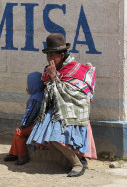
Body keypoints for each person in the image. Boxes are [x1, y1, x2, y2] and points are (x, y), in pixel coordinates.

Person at [26, 33, 97, 177]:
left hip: (74, 110)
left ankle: (78, 163)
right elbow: (50, 94)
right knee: (45, 127)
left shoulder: (75, 70)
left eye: (53, 56)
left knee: (54, 133)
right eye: (48, 56)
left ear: (62, 54)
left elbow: (76, 96)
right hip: (57, 109)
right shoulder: (50, 70)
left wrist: (54, 78)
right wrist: (51, 78)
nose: (50, 59)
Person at [4, 71, 44, 165]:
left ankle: (22, 156)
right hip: (37, 124)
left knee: (19, 133)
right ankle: (13, 153)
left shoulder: (36, 98)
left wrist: (23, 125)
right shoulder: (41, 94)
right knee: (18, 131)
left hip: (37, 126)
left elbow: (30, 114)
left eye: (28, 84)